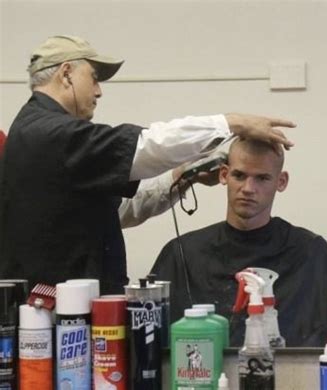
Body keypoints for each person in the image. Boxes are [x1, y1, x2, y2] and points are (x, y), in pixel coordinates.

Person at [0, 35, 295, 294]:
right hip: (56, 325)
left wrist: (182, 177)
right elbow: (149, 145)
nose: (99, 91)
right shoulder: (55, 135)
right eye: (93, 78)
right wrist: (231, 123)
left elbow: (117, 211)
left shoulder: (41, 136)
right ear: (66, 74)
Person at [151, 137, 327, 347]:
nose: (248, 188)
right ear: (224, 175)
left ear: (281, 182)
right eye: (239, 175)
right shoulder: (182, 254)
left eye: (262, 178)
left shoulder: (311, 252)